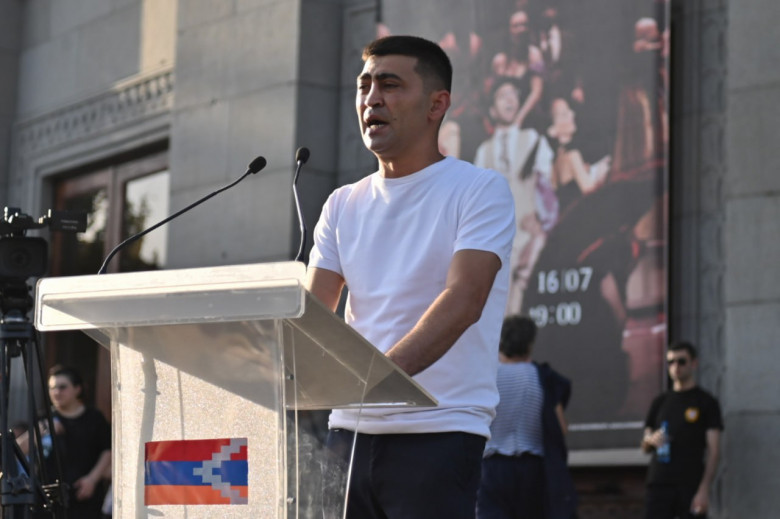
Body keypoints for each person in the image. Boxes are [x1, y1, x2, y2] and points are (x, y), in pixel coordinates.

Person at [307, 35, 515, 519]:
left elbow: (464, 299)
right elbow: (312, 314)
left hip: (439, 431)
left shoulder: (479, 189)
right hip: (347, 435)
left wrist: (377, 380)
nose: (371, 99)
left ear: (436, 105)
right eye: (364, 86)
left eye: (390, 84)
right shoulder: (341, 203)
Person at [477, 315, 577, 519]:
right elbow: (560, 427)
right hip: (532, 468)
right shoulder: (542, 377)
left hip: (491, 468)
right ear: (530, 344)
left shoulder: (489, 377)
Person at [474, 77, 554, 314]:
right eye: (503, 96)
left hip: (528, 233)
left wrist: (541, 220)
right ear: (492, 109)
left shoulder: (533, 139)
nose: (510, 100)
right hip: (498, 239)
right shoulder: (484, 151)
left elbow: (547, 188)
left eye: (514, 95)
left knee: (520, 295)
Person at [641, 342, 723, 518]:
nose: (675, 367)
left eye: (681, 361)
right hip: (659, 482)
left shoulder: (706, 402)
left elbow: (714, 451)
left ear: (694, 363)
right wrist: (651, 440)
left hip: (689, 484)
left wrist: (704, 489)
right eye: (671, 362)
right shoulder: (660, 401)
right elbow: (645, 444)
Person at [45, 366, 111, 519]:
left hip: (85, 497)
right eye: (52, 388)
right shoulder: (44, 419)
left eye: (62, 387)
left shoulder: (94, 418)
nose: (56, 392)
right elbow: (20, 450)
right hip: (49, 501)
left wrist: (92, 479)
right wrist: (43, 430)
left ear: (77, 389)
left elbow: (108, 450)